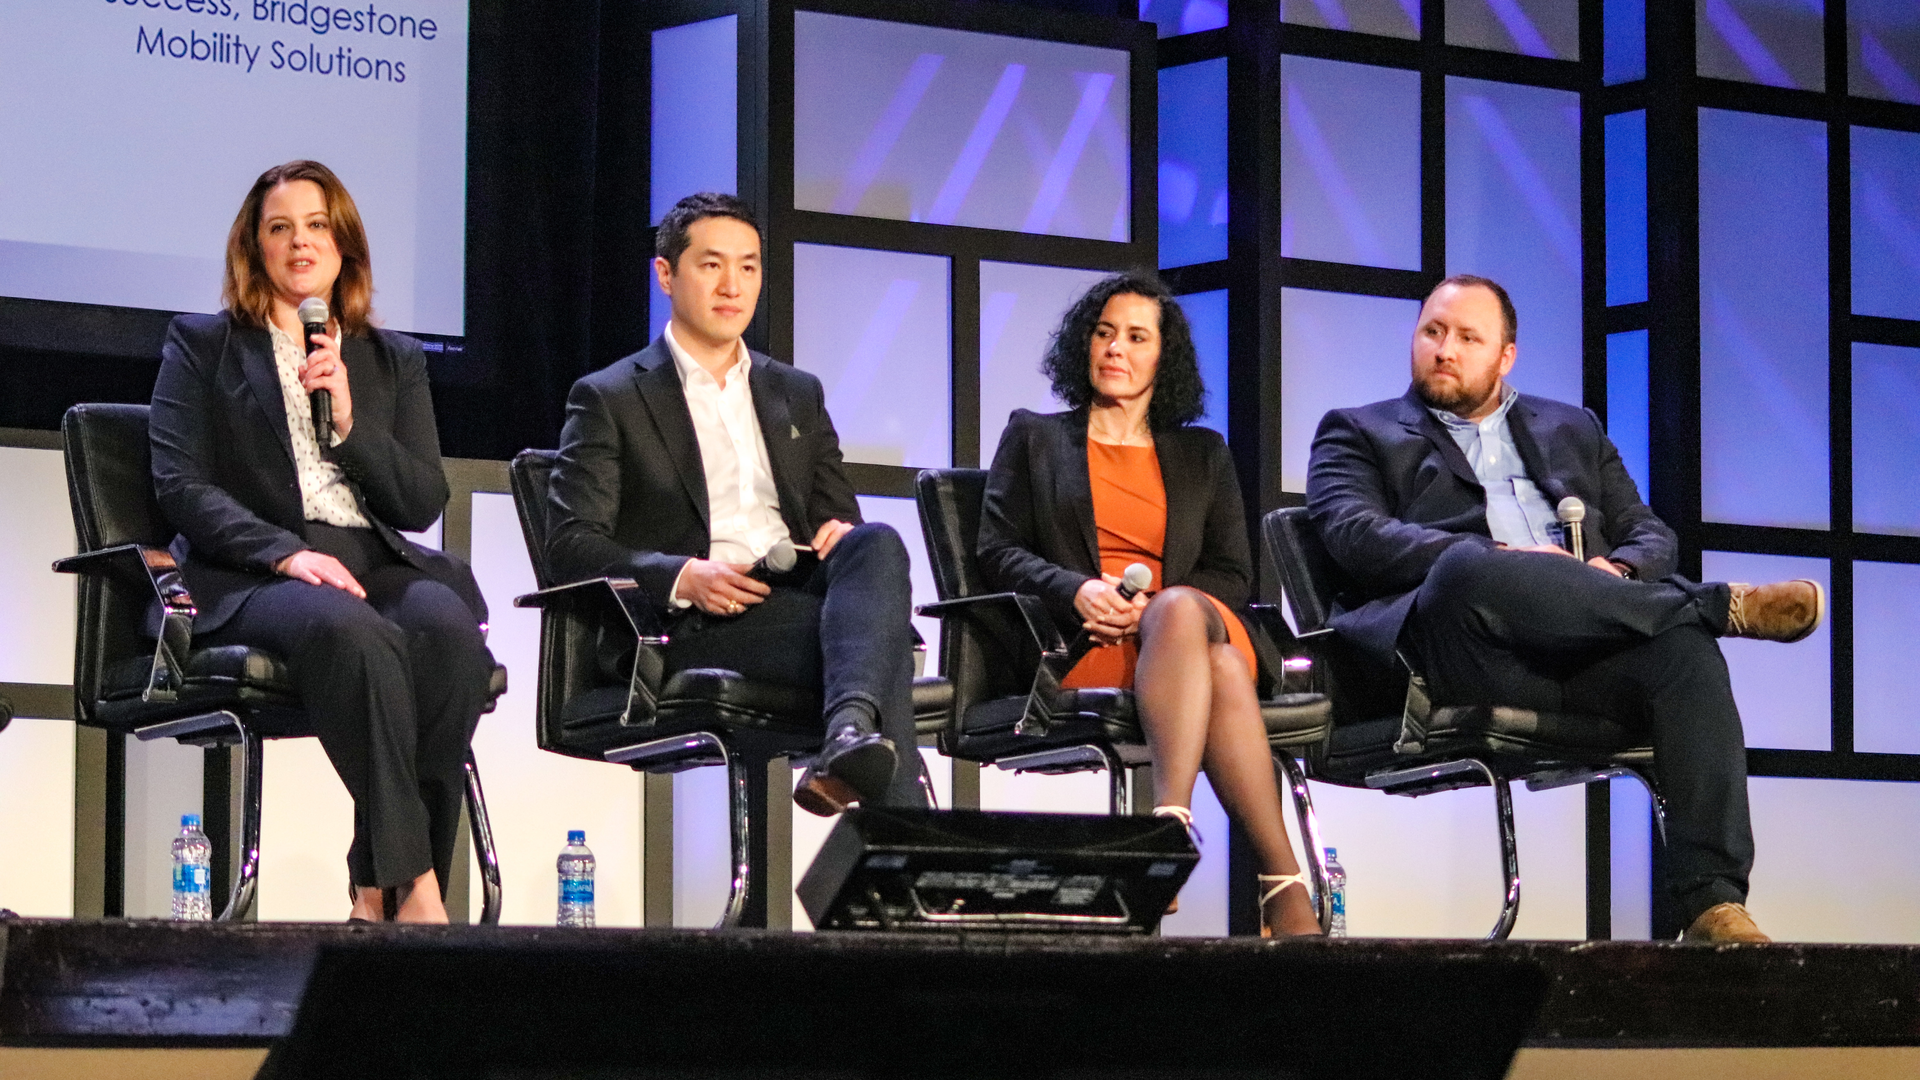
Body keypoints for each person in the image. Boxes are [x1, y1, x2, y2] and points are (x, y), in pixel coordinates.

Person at [1307, 274, 1825, 944]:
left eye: (1468, 337)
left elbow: (1650, 533)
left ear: (1506, 355)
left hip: (1583, 652)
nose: (1444, 349)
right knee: (1468, 566)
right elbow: (1355, 535)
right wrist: (1505, 558)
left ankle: (1712, 904)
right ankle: (1713, 604)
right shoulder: (1358, 431)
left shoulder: (1572, 428)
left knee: (1684, 654)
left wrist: (1616, 571)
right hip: (1458, 652)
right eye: (1433, 332)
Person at [149, 160, 495, 923]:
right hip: (253, 570)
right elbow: (182, 485)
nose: (299, 241)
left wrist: (346, 419)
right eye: (279, 228)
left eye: (316, 225)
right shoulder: (203, 345)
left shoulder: (390, 358)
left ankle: (372, 886)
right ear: (255, 248)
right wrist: (283, 553)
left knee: (447, 635)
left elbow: (418, 500)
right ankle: (422, 887)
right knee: (357, 635)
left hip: (368, 556)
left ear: (344, 247)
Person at [545, 192, 924, 814]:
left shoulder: (795, 391)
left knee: (877, 539)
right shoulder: (609, 396)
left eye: (749, 267)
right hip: (696, 622)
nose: (733, 285)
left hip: (799, 593)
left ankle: (851, 733)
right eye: (712, 264)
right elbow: (570, 544)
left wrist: (837, 530)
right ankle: (897, 834)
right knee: (880, 649)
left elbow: (839, 515)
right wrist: (682, 577)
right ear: (665, 274)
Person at [977, 272, 1323, 937]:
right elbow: (998, 549)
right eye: (1104, 333)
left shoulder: (1203, 453)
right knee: (1220, 671)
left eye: (1136, 337)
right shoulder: (1035, 437)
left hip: (1190, 624)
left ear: (1164, 358)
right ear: (1085, 345)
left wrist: (1160, 606)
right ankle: (1283, 883)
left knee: (1182, 613)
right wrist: (1076, 589)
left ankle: (1168, 820)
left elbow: (1231, 573)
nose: (1116, 349)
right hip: (1093, 644)